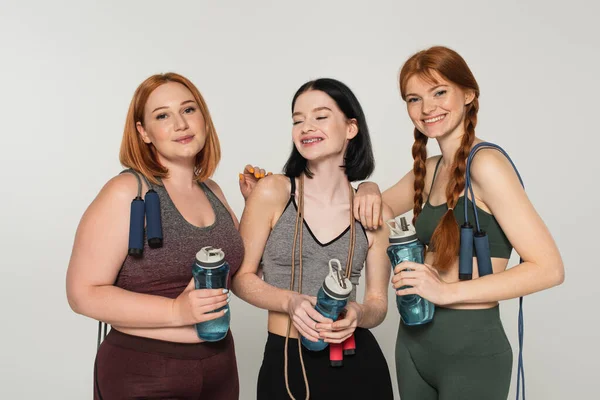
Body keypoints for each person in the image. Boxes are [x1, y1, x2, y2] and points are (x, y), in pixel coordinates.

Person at [354, 46, 565, 400]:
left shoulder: (486, 165)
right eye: (414, 98)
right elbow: (373, 211)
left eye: (439, 92)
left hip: (471, 350)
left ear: (468, 94)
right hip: (412, 343)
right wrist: (368, 186)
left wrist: (446, 292)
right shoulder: (432, 168)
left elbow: (549, 268)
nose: (427, 108)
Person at [66, 72, 265, 399]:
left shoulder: (212, 191)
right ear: (143, 132)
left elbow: (244, 273)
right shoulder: (128, 192)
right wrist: (176, 312)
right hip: (144, 373)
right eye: (162, 115)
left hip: (219, 367)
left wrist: (256, 207)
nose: (180, 124)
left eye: (188, 110)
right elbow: (81, 293)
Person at [232, 78, 394, 399]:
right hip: (286, 362)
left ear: (350, 128)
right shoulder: (273, 192)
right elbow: (240, 278)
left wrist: (359, 314)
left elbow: (378, 302)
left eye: (320, 117)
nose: (306, 127)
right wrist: (288, 301)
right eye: (297, 120)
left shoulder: (373, 210)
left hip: (358, 364)